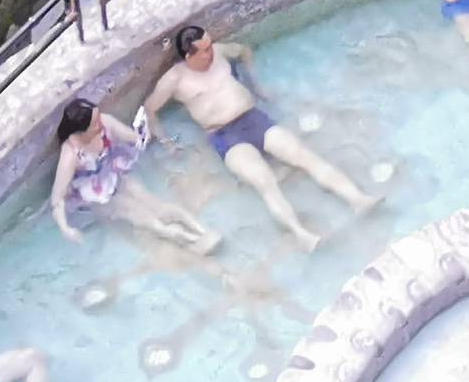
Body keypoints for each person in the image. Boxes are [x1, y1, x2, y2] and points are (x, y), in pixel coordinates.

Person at [143, 24, 373, 247]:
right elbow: (150, 109)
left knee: (304, 155)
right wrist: (166, 142)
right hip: (224, 135)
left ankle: (357, 199)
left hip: (254, 119)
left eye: (210, 45)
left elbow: (244, 51)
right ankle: (302, 235)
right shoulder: (174, 80)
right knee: (265, 181)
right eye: (204, 51)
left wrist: (256, 86)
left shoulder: (221, 53)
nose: (211, 52)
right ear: (188, 55)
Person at [52, 94, 217, 254]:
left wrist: (149, 136)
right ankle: (189, 240)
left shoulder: (105, 122)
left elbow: (134, 138)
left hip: (114, 174)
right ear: (80, 131)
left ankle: (202, 230)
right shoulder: (70, 155)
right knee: (145, 218)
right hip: (96, 195)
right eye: (94, 123)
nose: (100, 122)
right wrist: (65, 227)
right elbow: (57, 198)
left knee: (158, 206)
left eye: (98, 117)